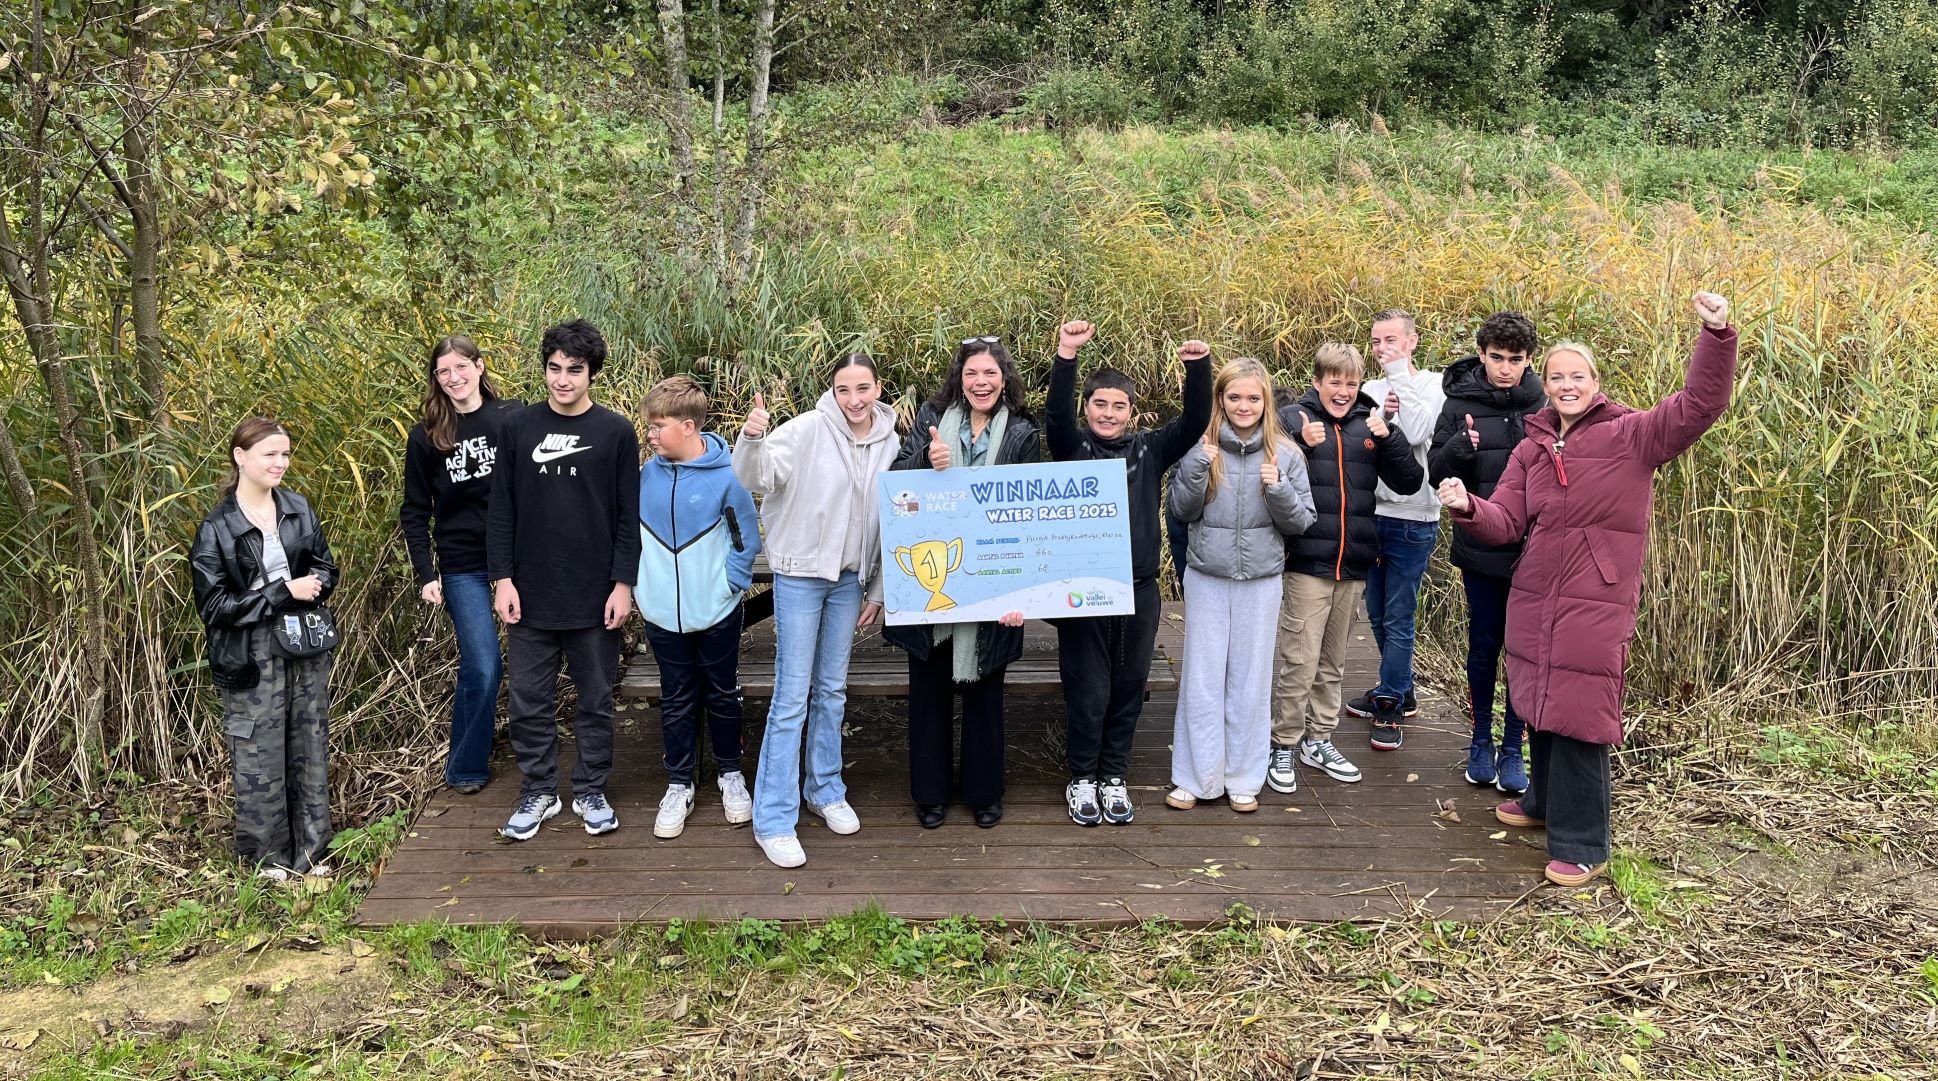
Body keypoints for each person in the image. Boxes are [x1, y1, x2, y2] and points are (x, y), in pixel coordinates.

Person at [1437, 292, 1737, 887]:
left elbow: (1702, 404)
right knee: (1540, 698)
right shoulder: (1533, 446)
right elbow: (1506, 522)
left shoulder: (1633, 435)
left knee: (1581, 711)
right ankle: (1541, 804)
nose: (1566, 385)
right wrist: (1468, 505)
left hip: (1596, 598)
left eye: (1577, 375)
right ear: (1543, 384)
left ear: (1595, 381)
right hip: (1536, 593)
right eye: (1556, 376)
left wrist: (1717, 333)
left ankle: (1583, 843)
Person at [734, 354, 900, 867]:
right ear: (831, 390)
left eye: (864, 388)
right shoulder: (805, 429)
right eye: (844, 389)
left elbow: (893, 516)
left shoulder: (890, 441)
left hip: (850, 579)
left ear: (878, 387)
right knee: (791, 696)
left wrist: (876, 587)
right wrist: (753, 437)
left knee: (831, 690)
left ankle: (824, 789)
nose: (855, 399)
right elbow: (756, 478)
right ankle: (773, 818)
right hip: (800, 576)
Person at [1045, 321, 1212, 826]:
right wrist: (1067, 355)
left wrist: (1198, 368)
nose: (1109, 413)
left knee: (1129, 683)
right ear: (1088, 408)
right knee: (1088, 687)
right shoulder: (1073, 446)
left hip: (1140, 587)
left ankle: (1113, 775)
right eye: (1100, 405)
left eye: (1119, 406)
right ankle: (1082, 778)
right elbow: (1054, 417)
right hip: (1084, 592)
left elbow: (1194, 420)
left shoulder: (1149, 449)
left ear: (1131, 413)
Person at [488, 320, 642, 841]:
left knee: (596, 698)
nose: (562, 379)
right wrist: (502, 579)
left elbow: (628, 516)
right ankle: (538, 790)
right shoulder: (517, 428)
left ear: (592, 373)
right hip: (529, 593)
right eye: (554, 368)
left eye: (574, 370)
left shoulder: (616, 432)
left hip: (595, 595)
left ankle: (590, 788)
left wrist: (623, 584)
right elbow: (501, 510)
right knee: (528, 699)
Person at [885, 336, 1038, 830]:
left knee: (985, 698)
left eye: (990, 374)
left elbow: (1031, 515)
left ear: (1004, 379)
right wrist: (925, 464)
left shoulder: (1021, 431)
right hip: (933, 579)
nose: (981, 382)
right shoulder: (931, 417)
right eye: (972, 373)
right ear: (960, 378)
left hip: (994, 582)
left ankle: (983, 793)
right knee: (928, 697)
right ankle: (929, 794)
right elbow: (895, 485)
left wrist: (1021, 594)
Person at [190, 417, 338, 881]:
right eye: (269, 454)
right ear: (240, 457)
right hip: (251, 653)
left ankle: (313, 853)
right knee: (258, 753)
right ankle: (265, 860)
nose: (280, 463)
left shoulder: (298, 507)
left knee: (309, 744)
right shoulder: (217, 527)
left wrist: (318, 583)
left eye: (286, 454)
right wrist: (281, 591)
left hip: (304, 643)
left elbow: (324, 564)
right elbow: (214, 606)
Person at [1270, 344, 1423, 792]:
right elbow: (1263, 470)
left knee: (1333, 662)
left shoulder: (1369, 422)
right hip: (1306, 561)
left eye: (1351, 383)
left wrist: (1390, 437)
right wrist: (1301, 442)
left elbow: (1410, 482)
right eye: (1334, 381)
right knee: (1300, 660)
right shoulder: (1293, 418)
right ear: (1317, 381)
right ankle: (1283, 745)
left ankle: (1318, 739)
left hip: (1353, 562)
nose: (1342, 390)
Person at [1166, 358, 1315, 813]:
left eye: (1253, 397)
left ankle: (1244, 777)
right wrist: (1196, 465)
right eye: (1234, 397)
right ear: (1221, 400)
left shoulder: (1286, 455)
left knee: (1250, 679)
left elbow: (1301, 522)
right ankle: (1196, 777)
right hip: (1208, 577)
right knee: (1202, 678)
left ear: (1266, 401)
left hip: (1261, 581)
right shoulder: (1202, 447)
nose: (1243, 405)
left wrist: (1279, 488)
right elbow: (1181, 510)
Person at [635, 375, 762, 842]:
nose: (650, 433)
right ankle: (678, 783)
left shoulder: (728, 477)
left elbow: (745, 538)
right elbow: (630, 537)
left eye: (658, 425)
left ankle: (731, 774)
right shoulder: (646, 476)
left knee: (722, 694)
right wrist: (641, 589)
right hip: (662, 615)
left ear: (688, 426)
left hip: (717, 612)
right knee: (676, 696)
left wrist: (730, 584)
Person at [1426, 311, 1543, 795]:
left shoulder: (1547, 402)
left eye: (1516, 360)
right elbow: (1434, 471)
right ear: (1482, 355)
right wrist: (1459, 448)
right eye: (1497, 358)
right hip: (1480, 546)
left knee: (1522, 652)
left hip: (1535, 551)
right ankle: (1480, 742)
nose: (1505, 369)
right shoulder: (1458, 404)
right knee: (1484, 645)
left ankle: (1513, 747)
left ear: (1529, 360)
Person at [400, 335, 521, 795]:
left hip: (517, 559)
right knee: (484, 663)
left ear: (480, 366)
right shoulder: (427, 435)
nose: (453, 378)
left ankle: (536, 755)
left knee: (530, 662)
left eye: (461, 367)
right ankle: (466, 766)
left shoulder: (512, 418)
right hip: (462, 566)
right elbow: (414, 511)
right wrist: (426, 574)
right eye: (443, 371)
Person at [1348, 310, 1445, 738]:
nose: (1382, 349)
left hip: (1414, 518)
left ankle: (1388, 703)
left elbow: (1421, 429)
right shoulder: (1369, 389)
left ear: (1412, 342)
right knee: (1375, 612)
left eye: (1390, 340)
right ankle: (1399, 690)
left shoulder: (1434, 386)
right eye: (1375, 342)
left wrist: (1398, 380)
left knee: (1399, 615)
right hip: (1373, 514)